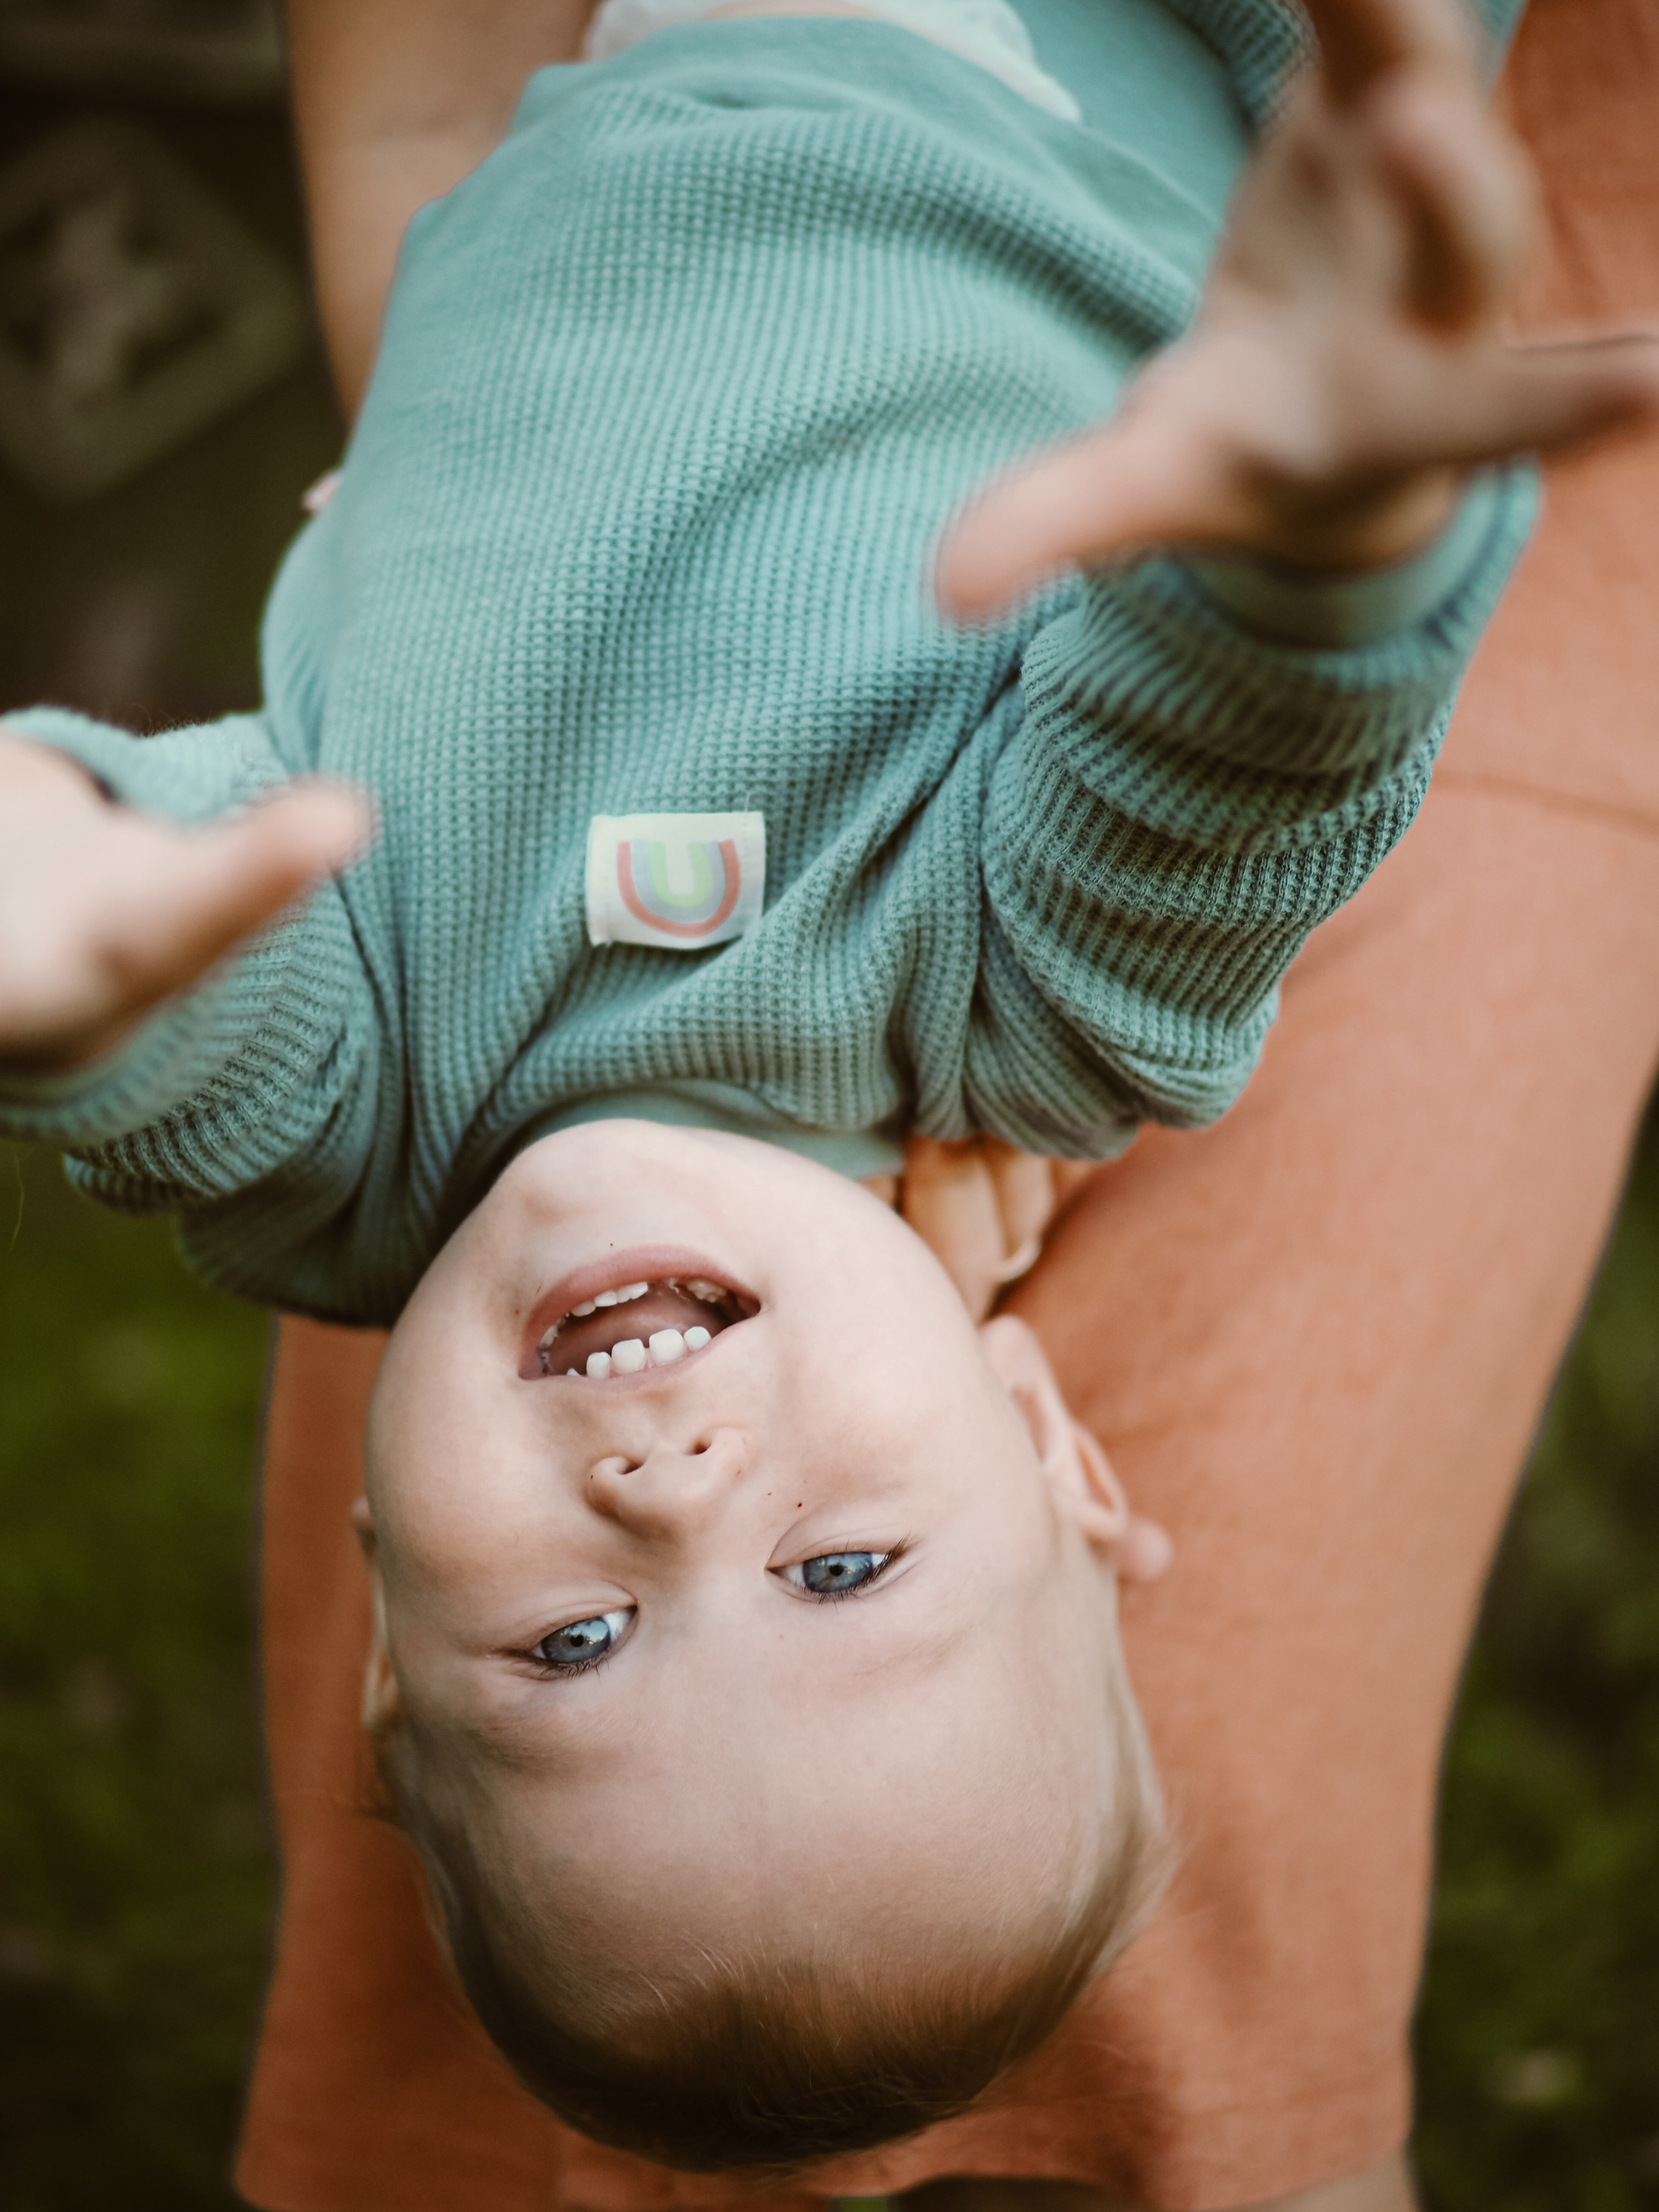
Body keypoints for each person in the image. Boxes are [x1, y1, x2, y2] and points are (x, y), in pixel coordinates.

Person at [0, 0, 1651, 2175]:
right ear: (1046, 1437)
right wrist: (1328, 528)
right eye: (846, 1575)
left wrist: (75, 971)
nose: (679, 1491)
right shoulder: (1008, 1009)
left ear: (392, 1645)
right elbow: (1220, 764)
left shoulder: (355, 1131)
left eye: (576, 1641)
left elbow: (196, 1015)